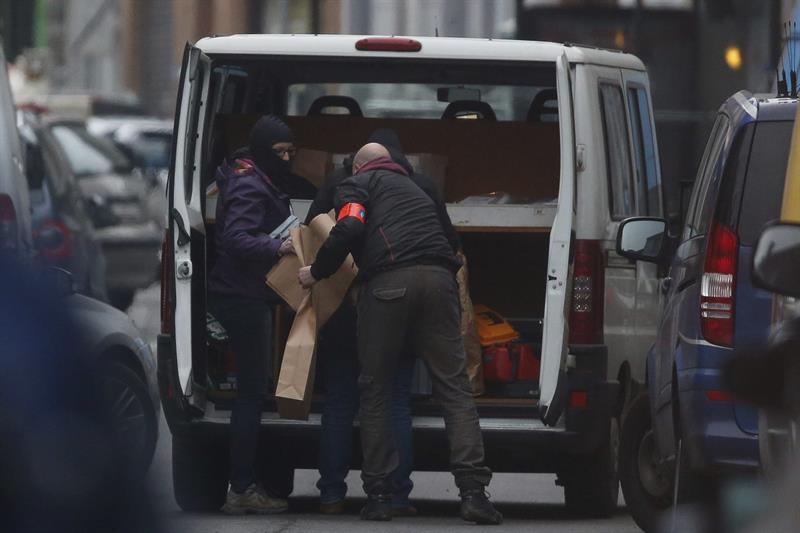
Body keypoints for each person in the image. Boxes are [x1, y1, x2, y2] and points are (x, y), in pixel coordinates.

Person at [298, 143, 503, 524]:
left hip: (389, 286)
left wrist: (317, 271)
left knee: (375, 387)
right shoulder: (419, 187)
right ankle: (474, 493)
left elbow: (350, 226)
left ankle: (379, 495)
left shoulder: (357, 184)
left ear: (358, 166)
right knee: (455, 389)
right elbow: (453, 244)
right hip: (441, 284)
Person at [307, 129, 441, 516]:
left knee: (340, 398)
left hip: (342, 302)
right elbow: (446, 238)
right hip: (395, 304)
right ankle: (396, 494)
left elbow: (313, 229)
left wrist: (316, 272)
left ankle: (331, 493)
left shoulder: (341, 184)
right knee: (395, 398)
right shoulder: (421, 186)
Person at [208, 115, 311, 515]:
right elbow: (236, 238)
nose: (285, 159)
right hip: (243, 296)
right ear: (262, 149)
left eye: (290, 151)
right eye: (279, 152)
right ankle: (242, 488)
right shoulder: (252, 182)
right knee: (251, 397)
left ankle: (246, 482)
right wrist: (277, 247)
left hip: (243, 292)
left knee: (253, 395)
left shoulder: (249, 174)